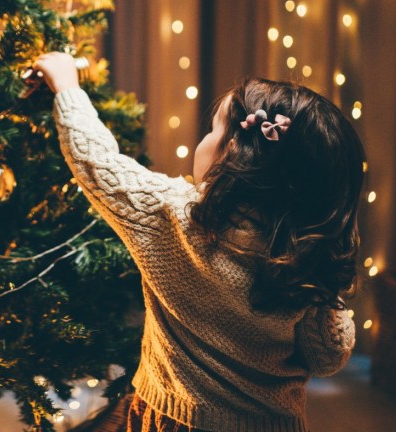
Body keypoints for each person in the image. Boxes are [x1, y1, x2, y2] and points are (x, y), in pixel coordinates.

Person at [31, 52, 365, 432]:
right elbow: (327, 357)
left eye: (212, 130)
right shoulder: (306, 257)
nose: (204, 139)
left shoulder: (174, 215)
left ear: (234, 154)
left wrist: (67, 88)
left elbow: (97, 164)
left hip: (172, 418)